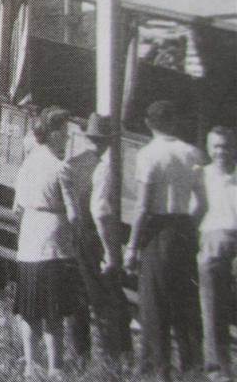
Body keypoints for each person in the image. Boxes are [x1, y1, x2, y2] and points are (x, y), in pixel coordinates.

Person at [124, 100, 204, 380]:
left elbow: (143, 206)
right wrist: (186, 226)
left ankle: (158, 371)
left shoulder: (149, 155)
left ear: (148, 123)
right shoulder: (192, 153)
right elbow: (202, 203)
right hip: (182, 226)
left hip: (158, 229)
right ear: (174, 122)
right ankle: (193, 368)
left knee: (154, 303)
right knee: (185, 301)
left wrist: (132, 246)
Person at [59, 114, 132, 364]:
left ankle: (81, 355)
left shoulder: (72, 163)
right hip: (95, 237)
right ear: (110, 140)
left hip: (76, 235)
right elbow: (100, 212)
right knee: (107, 298)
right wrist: (111, 251)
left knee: (78, 296)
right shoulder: (105, 166)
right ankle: (112, 358)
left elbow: (68, 200)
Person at [12, 106, 79, 379]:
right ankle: (55, 367)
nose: (66, 137)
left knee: (29, 308)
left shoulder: (27, 164)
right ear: (53, 133)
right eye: (64, 132)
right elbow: (74, 214)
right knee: (53, 310)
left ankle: (30, 363)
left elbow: (15, 208)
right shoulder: (60, 168)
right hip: (53, 244)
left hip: (29, 241)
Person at [191, 126, 237, 381]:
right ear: (209, 149)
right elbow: (194, 212)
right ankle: (219, 371)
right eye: (216, 146)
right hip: (212, 242)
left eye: (226, 146)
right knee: (212, 309)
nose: (221, 152)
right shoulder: (201, 175)